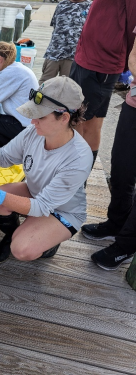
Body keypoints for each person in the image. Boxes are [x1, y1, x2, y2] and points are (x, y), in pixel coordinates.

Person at [0, 76, 93, 263]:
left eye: (40, 116)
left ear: (64, 118)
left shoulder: (79, 158)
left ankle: (48, 242)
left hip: (63, 211)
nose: (33, 121)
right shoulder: (34, 131)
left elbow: (42, 206)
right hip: (36, 192)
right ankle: (13, 233)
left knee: (22, 249)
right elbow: (6, 156)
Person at [69, 0, 136, 172]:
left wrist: (124, 59)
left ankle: (78, 182)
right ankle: (72, 179)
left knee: (87, 125)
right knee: (74, 120)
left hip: (102, 62)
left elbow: (133, 16)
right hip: (85, 57)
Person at [82, 27, 136, 270]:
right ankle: (116, 223)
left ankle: (125, 245)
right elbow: (133, 55)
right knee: (121, 169)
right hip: (133, 104)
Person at [39, 0, 92, 85]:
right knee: (44, 86)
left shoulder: (91, 7)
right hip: (54, 53)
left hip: (74, 58)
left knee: (68, 89)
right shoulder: (61, 5)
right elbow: (55, 27)